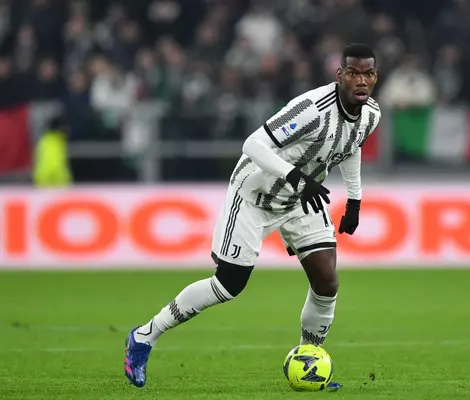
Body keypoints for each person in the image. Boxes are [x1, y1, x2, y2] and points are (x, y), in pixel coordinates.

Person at [124, 43, 381, 390]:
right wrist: (296, 178)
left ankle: (309, 359)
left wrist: (354, 200)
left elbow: (351, 146)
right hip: (255, 195)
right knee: (228, 285)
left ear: (375, 77)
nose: (361, 80)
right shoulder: (311, 109)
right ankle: (144, 336)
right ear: (339, 75)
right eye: (353, 73)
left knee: (327, 282)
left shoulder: (371, 114)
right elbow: (253, 145)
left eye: (368, 73)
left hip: (300, 199)